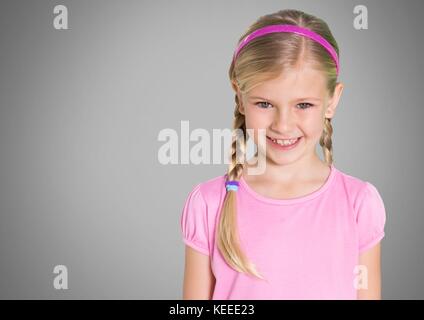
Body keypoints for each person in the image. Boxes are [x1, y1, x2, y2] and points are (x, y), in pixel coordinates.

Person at [180, 9, 386, 300]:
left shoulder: (359, 203)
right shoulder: (208, 204)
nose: (283, 125)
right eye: (265, 104)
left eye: (303, 105)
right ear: (240, 97)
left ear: (332, 101)